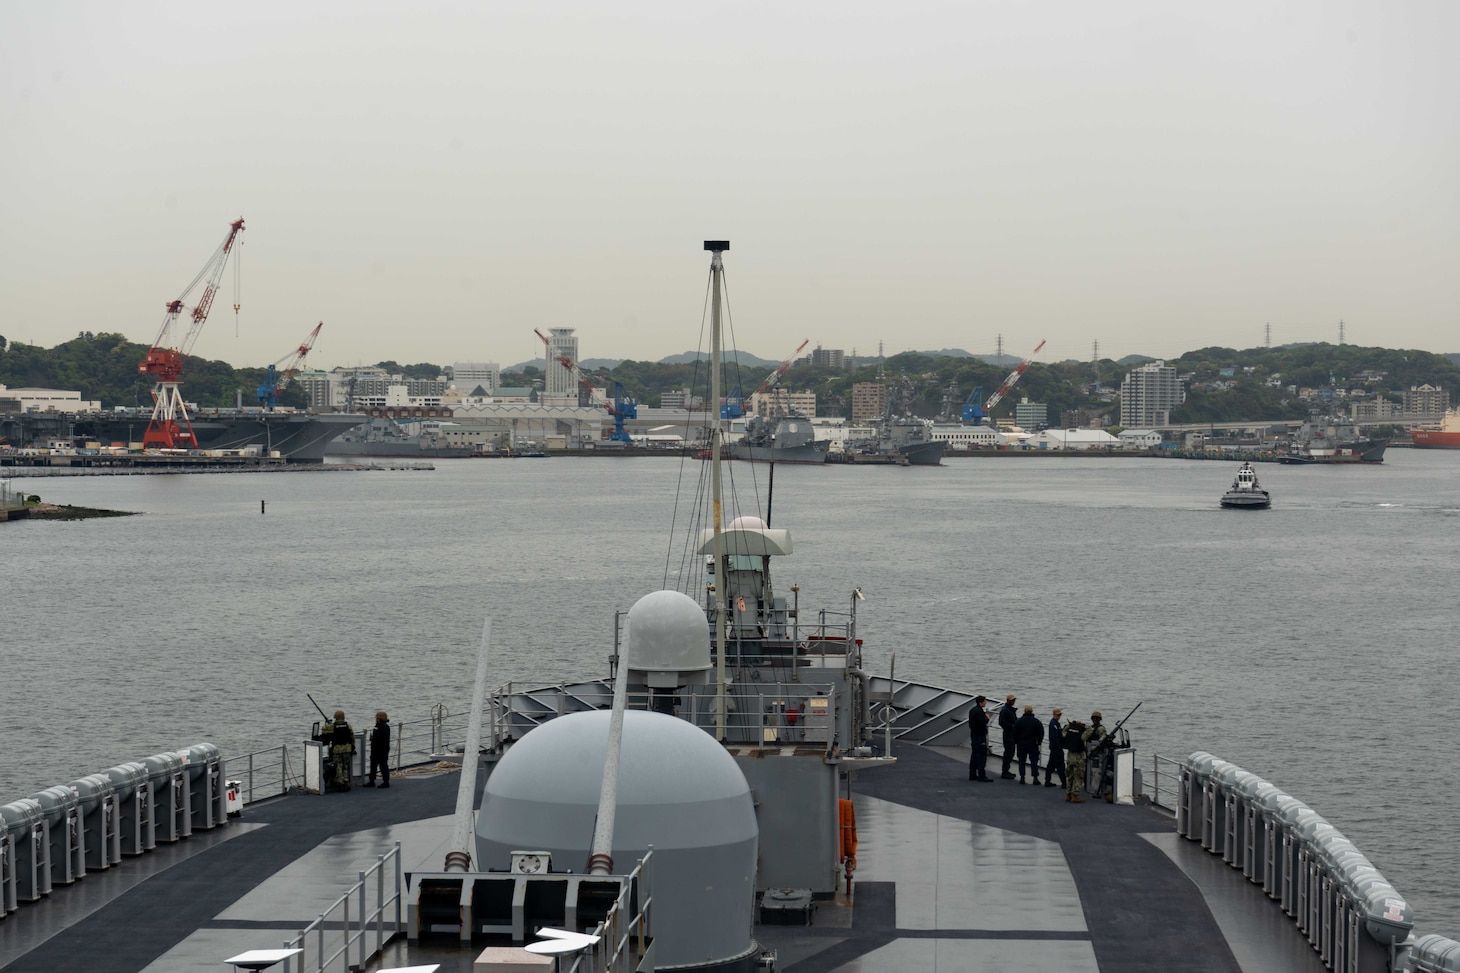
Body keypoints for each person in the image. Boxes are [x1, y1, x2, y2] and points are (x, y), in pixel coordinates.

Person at [1014, 704, 1044, 783]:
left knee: (1021, 760)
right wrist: (1039, 742)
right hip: (1033, 743)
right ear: (1032, 711)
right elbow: (1041, 732)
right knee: (1034, 761)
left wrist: (1016, 741)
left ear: (1024, 711)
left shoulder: (1019, 721)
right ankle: (1035, 778)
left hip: (1021, 743)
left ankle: (1022, 777)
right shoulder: (1036, 721)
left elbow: (1014, 733)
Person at [363, 711, 391, 788]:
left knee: (383, 766)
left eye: (377, 718)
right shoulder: (377, 727)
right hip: (375, 749)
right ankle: (371, 781)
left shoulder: (384, 728)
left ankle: (386, 782)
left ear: (381, 719)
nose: (376, 719)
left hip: (381, 750)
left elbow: (383, 740)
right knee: (373, 766)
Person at [330, 709, 355, 791]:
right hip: (347, 749)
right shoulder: (348, 726)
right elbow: (352, 737)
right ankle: (346, 782)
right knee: (345, 766)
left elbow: (325, 731)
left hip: (337, 749)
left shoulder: (333, 726)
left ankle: (340, 783)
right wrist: (353, 747)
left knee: (338, 766)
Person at [968, 695, 992, 782]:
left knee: (974, 754)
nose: (986, 703)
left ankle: (972, 774)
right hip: (980, 735)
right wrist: (987, 718)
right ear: (981, 702)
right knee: (981, 755)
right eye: (985, 701)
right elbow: (982, 723)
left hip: (974, 734)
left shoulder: (972, 710)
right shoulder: (979, 711)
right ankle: (982, 775)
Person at [1063, 719, 1087, 803]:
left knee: (1070, 776)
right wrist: (1082, 725)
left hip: (1070, 756)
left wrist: (1071, 725)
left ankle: (1068, 795)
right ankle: (1075, 796)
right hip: (1079, 758)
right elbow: (1090, 730)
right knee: (1078, 777)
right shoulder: (1081, 734)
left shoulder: (1068, 732)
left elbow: (1063, 731)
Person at [1044, 708, 1067, 788]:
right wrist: (1060, 744)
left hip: (1054, 748)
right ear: (1054, 715)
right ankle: (1064, 782)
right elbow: (1055, 737)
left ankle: (1047, 781)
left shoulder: (1056, 723)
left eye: (1060, 715)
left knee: (1051, 765)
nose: (1059, 716)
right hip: (1056, 748)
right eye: (1058, 715)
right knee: (1060, 765)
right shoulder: (1053, 724)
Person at [998, 694, 1018, 779]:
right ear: (1007, 700)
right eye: (1011, 700)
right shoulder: (1005, 710)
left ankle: (1006, 770)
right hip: (1008, 734)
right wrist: (1012, 726)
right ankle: (1005, 771)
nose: (1013, 701)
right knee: (1008, 753)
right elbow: (1001, 722)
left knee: (1010, 752)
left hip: (1011, 734)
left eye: (1014, 700)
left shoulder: (1009, 710)